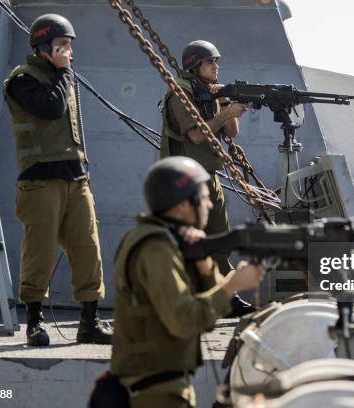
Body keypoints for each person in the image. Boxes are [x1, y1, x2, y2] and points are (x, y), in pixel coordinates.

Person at [110, 156, 266, 407]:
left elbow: (209, 311)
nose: (210, 206)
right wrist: (233, 285)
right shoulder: (157, 249)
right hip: (155, 392)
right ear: (183, 205)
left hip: (161, 385)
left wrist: (204, 265)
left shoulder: (163, 240)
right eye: (204, 199)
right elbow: (184, 320)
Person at [3, 14, 111, 346]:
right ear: (43, 47)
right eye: (61, 45)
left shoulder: (66, 79)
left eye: (69, 46)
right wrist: (64, 72)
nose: (68, 52)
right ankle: (34, 323)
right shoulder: (21, 80)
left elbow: (73, 131)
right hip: (40, 181)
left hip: (75, 178)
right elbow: (49, 109)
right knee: (39, 250)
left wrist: (85, 169)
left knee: (87, 249)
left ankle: (89, 322)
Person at [160, 40, 252, 315]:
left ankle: (226, 298)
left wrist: (225, 101)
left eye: (217, 61)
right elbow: (197, 135)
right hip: (185, 180)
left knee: (219, 238)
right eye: (211, 62)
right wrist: (225, 112)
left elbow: (231, 133)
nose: (216, 67)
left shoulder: (208, 92)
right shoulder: (181, 93)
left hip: (207, 175)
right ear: (195, 65)